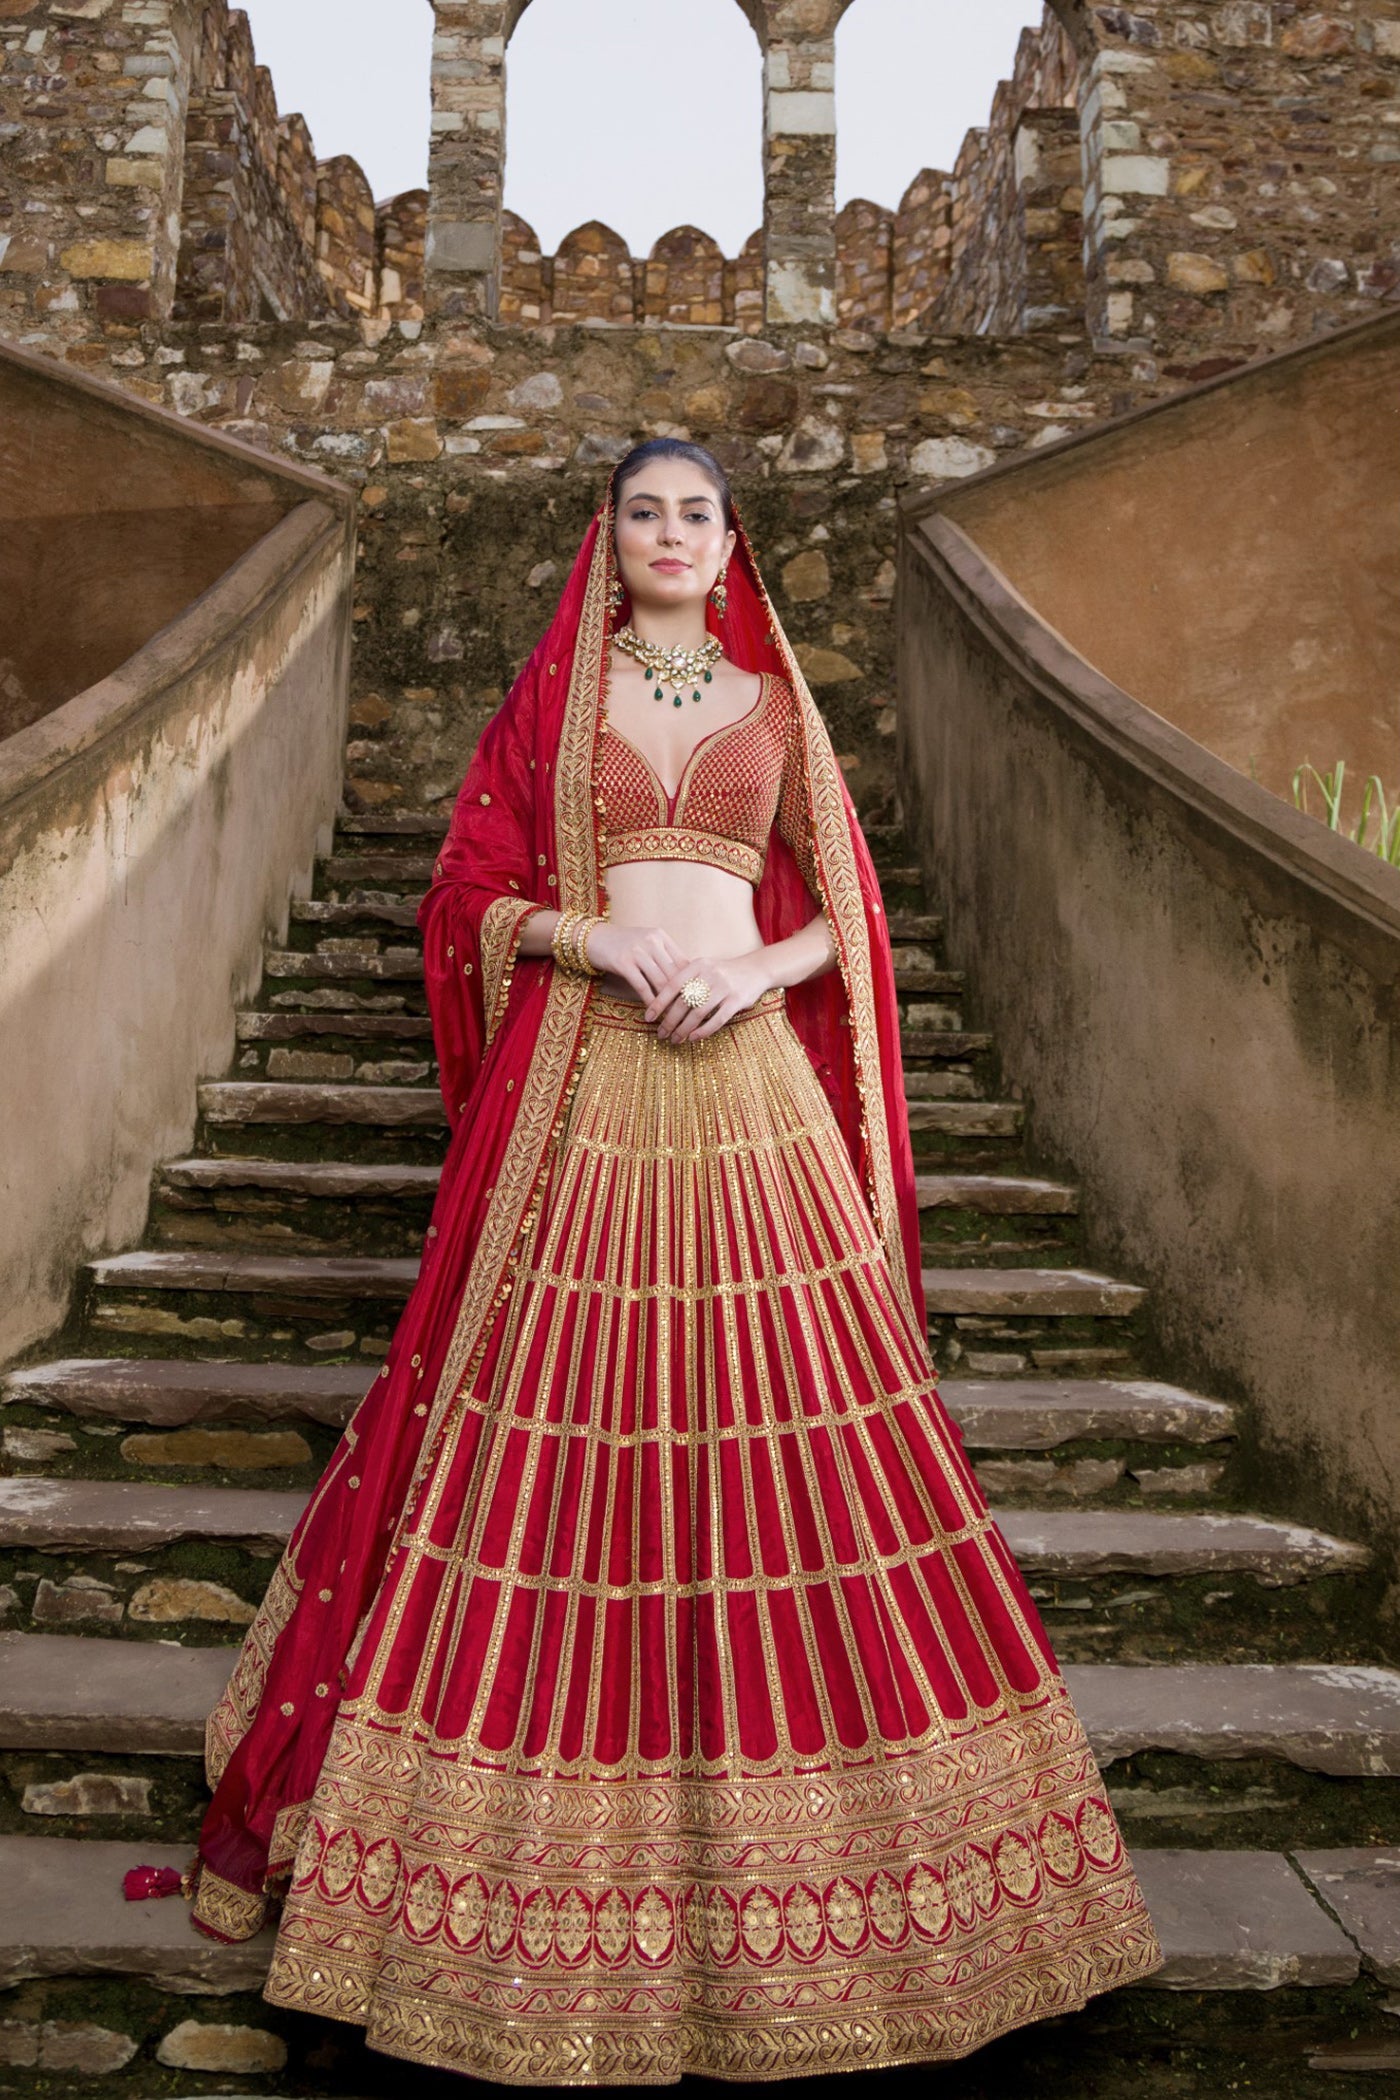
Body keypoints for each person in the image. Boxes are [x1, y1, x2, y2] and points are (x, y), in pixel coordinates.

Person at [173, 438, 1163, 2082]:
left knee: (810, 1441)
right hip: (588, 1085)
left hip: (756, 1095)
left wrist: (760, 969)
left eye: (698, 511)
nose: (672, 532)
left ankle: (878, 1888)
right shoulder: (556, 701)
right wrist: (598, 938)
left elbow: (847, 910)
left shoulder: (777, 706)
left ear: (731, 539)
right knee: (559, 1440)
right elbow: (466, 891)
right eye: (646, 510)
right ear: (610, 536)